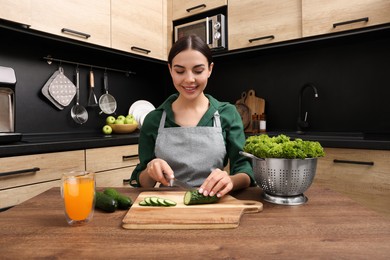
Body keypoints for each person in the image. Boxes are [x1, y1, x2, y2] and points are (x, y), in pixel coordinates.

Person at [129, 35, 254, 198]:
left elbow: (245, 170)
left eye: (198, 70)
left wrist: (230, 180)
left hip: (213, 202)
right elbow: (142, 180)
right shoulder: (154, 120)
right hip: (167, 206)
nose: (189, 79)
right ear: (170, 70)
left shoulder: (227, 114)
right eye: (180, 71)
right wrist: (150, 170)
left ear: (210, 69)